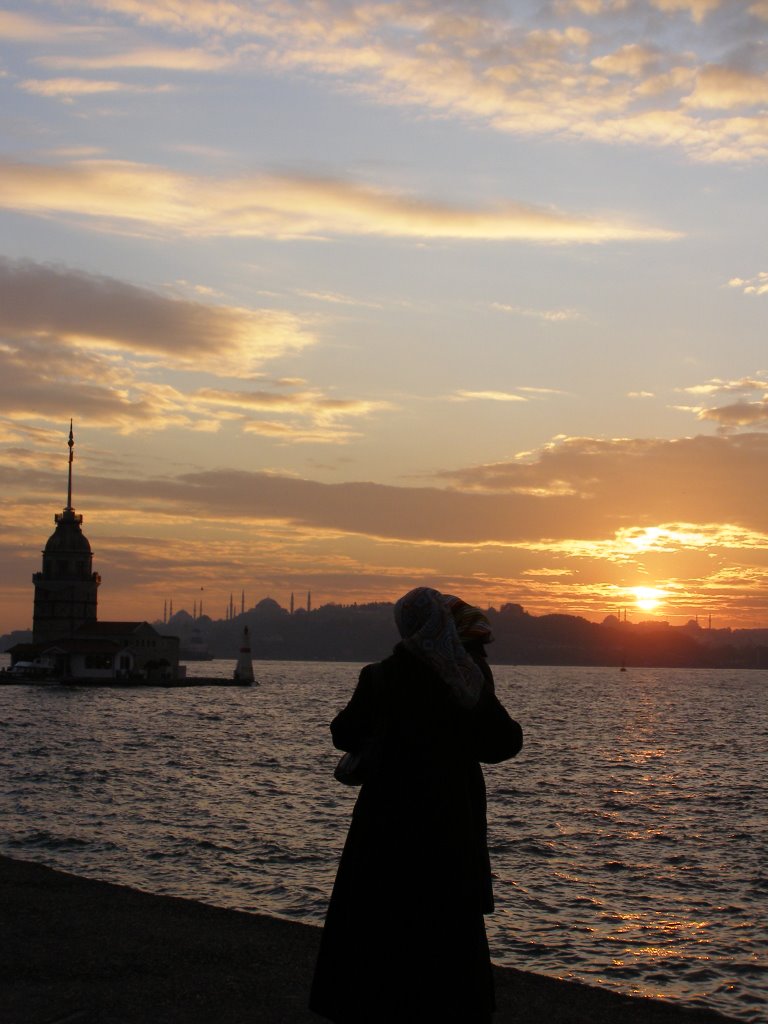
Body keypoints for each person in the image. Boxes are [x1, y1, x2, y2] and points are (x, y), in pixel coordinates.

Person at [310, 587, 523, 1024]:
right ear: (443, 624)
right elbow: (504, 742)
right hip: (449, 820)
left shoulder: (381, 677)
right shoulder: (466, 677)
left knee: (381, 923)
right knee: (447, 932)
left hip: (385, 822)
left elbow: (343, 733)